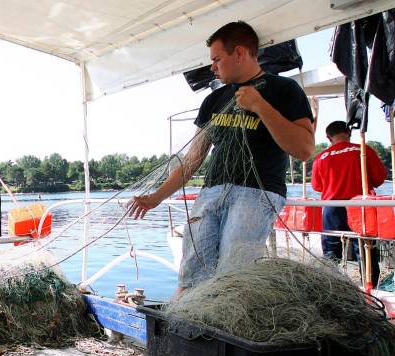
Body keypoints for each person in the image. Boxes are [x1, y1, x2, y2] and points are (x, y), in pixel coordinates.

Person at [128, 21, 314, 300]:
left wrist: (259, 106)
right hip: (211, 191)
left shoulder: (284, 89)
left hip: (257, 191)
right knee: (192, 271)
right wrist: (156, 197)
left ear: (239, 53)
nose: (212, 67)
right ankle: (181, 326)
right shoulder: (213, 101)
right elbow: (193, 159)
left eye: (216, 59)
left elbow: (304, 149)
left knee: (234, 276)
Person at [311, 120, 386, 286]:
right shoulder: (363, 150)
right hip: (360, 208)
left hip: (332, 208)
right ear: (348, 132)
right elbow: (380, 178)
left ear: (328, 137)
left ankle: (330, 290)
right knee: (366, 252)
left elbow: (317, 186)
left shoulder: (320, 158)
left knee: (331, 255)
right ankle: (370, 291)